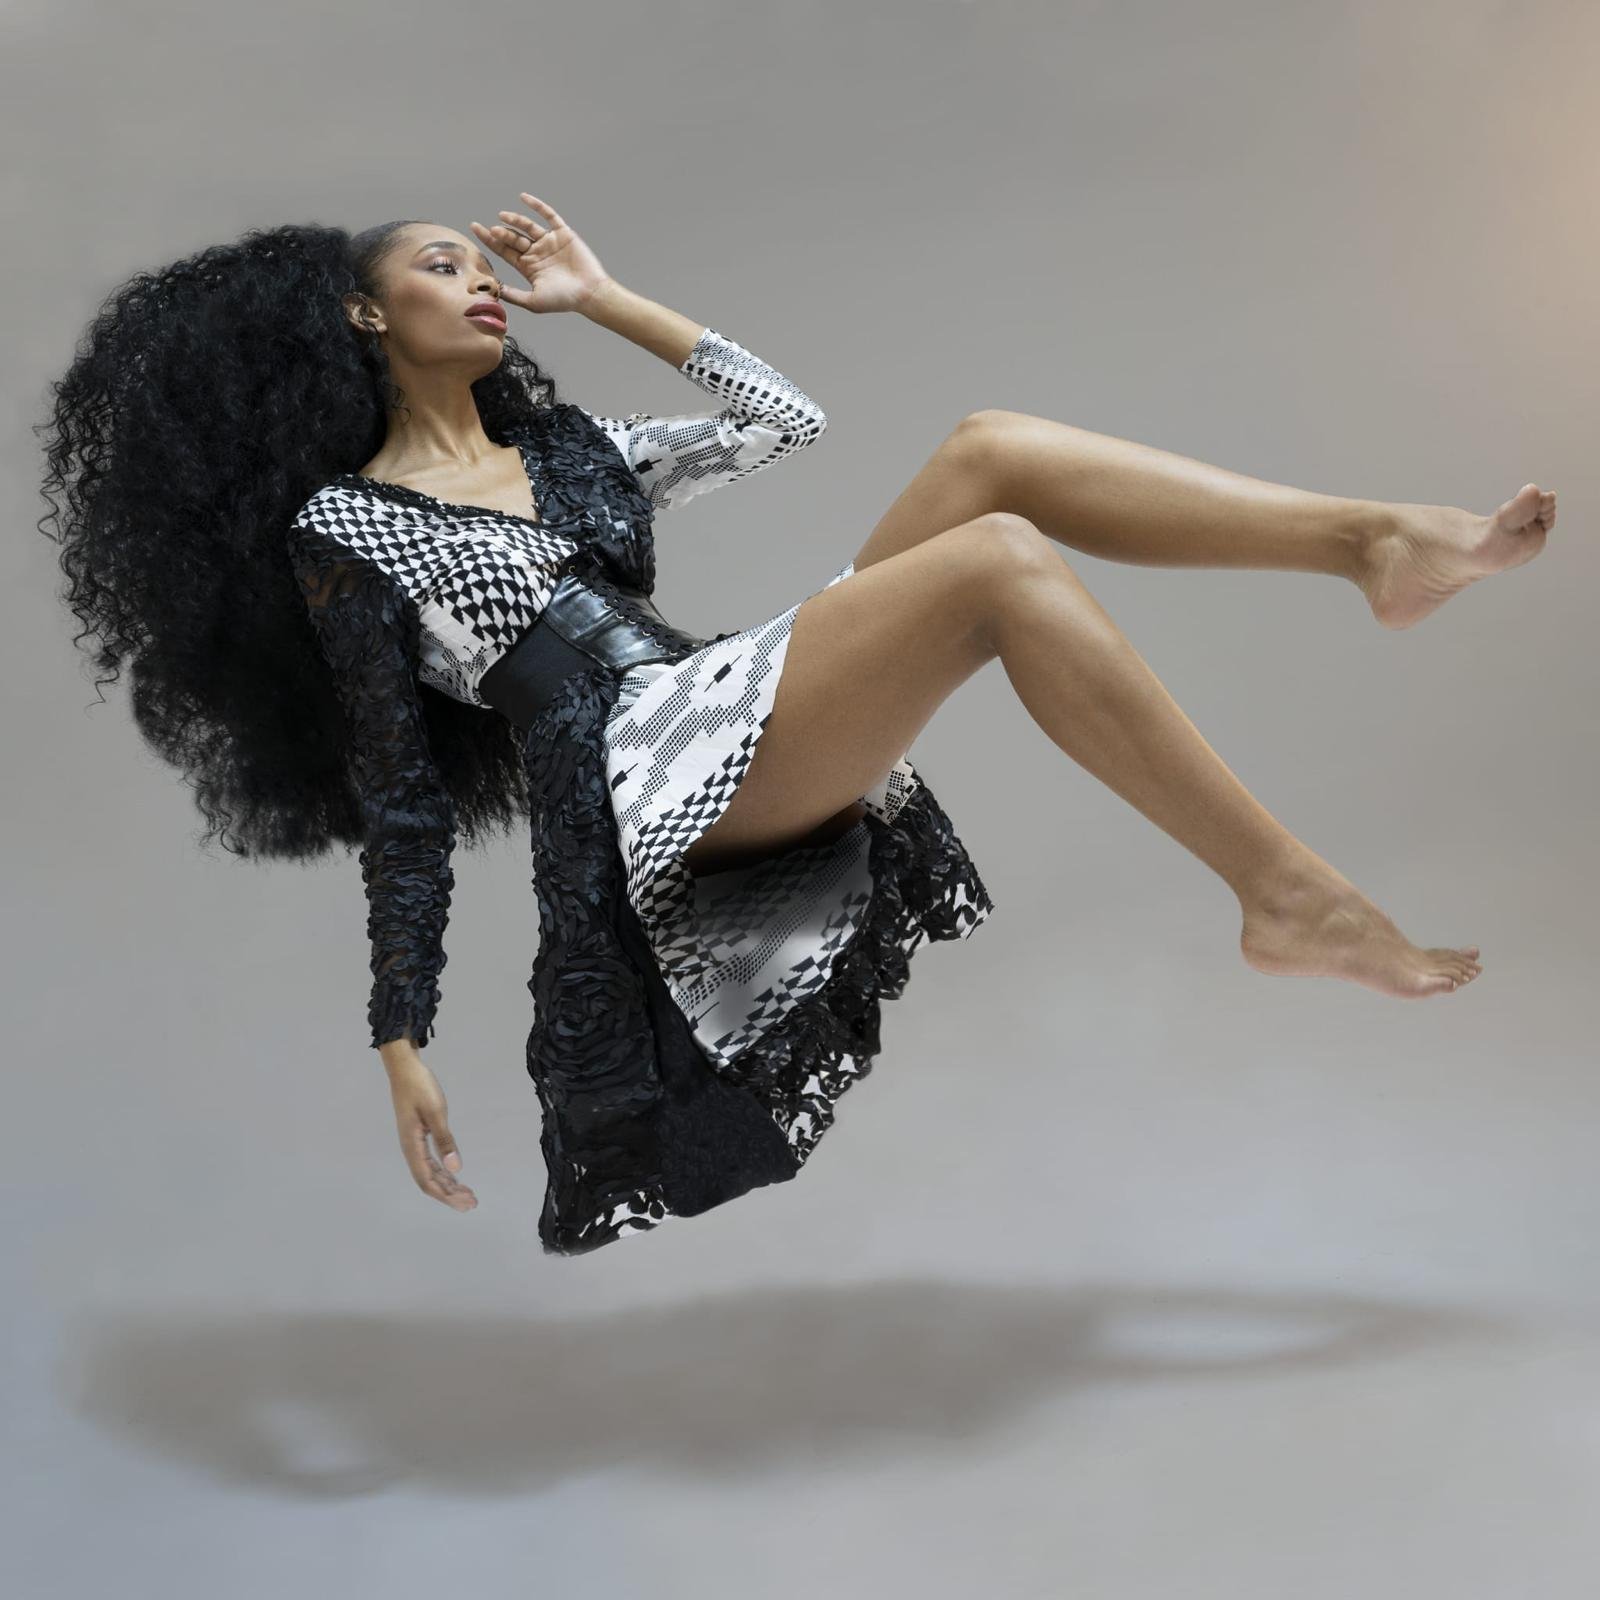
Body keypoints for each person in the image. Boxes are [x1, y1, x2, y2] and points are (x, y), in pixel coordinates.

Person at [39, 194, 1546, 1256]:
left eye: (491, 269)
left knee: (991, 452)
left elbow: (783, 421)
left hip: (715, 705)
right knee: (998, 563)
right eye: (448, 266)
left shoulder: (569, 452)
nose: (486, 282)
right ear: (366, 313)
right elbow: (403, 802)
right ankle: (1287, 896)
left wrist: (603, 297)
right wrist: (400, 1036)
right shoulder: (349, 528)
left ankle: (1372, 543)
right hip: (635, 787)